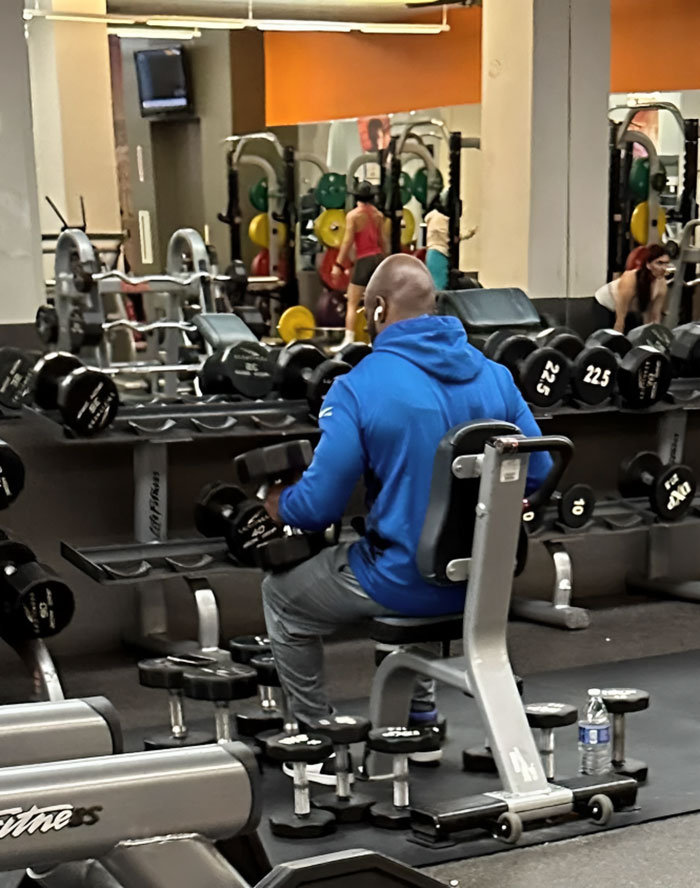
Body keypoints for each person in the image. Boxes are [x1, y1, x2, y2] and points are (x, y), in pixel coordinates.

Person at [261, 254, 552, 769]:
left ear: (378, 309)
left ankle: (314, 745)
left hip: (403, 580)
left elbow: (318, 507)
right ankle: (418, 721)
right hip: (484, 579)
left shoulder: (359, 385)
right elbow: (540, 468)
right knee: (402, 544)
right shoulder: (496, 376)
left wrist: (277, 503)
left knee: (283, 599)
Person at [330, 181, 386, 353]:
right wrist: (386, 261)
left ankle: (348, 340)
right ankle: (375, 340)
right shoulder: (378, 215)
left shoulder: (353, 216)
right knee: (375, 302)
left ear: (356, 197)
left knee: (352, 302)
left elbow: (347, 242)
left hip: (364, 259)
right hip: (378, 258)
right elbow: (383, 240)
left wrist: (338, 264)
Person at [592, 243, 670, 333]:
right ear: (648, 264)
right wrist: (618, 333)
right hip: (605, 305)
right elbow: (620, 317)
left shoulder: (661, 284)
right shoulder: (631, 278)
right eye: (659, 263)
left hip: (630, 310)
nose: (664, 268)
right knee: (610, 335)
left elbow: (655, 317)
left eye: (666, 263)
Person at [424, 190, 477, 291]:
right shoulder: (440, 218)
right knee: (439, 287)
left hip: (434, 253)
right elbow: (447, 236)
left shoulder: (433, 216)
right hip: (439, 253)